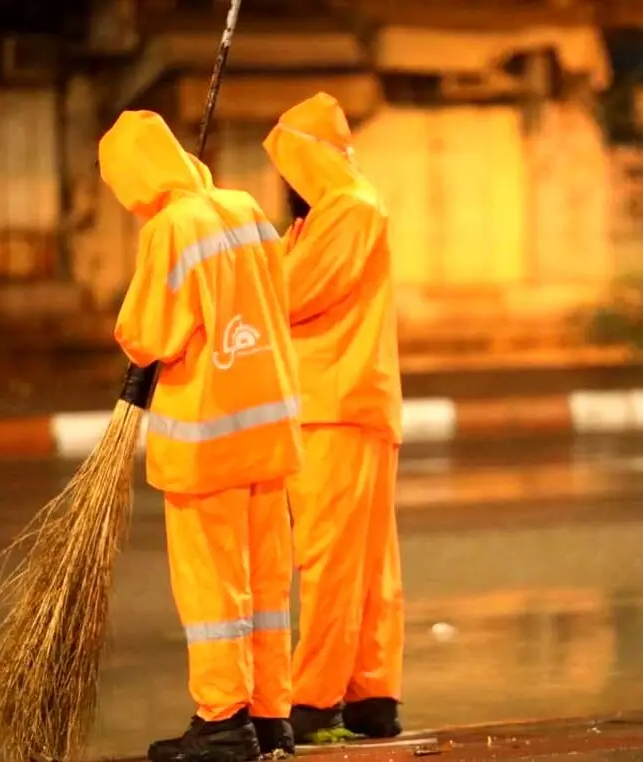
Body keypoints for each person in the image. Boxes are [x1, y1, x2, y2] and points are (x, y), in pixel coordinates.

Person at [99, 109, 303, 762]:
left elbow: (147, 333)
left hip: (207, 437)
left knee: (214, 588)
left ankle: (221, 724)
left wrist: (136, 337)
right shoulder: (244, 207)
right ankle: (271, 715)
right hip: (269, 428)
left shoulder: (170, 227)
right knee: (267, 584)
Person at [262, 92, 405, 743]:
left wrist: (234, 282)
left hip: (335, 407)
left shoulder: (346, 210)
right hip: (347, 404)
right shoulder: (326, 217)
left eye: (285, 170)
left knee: (327, 559)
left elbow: (287, 296)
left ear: (303, 167)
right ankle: (370, 695)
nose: (280, 186)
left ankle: (312, 699)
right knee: (365, 563)